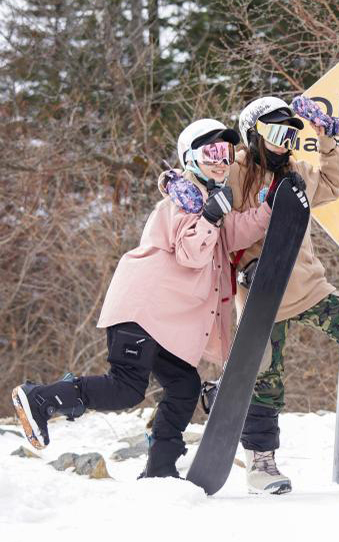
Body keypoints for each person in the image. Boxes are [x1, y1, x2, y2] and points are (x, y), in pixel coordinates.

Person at [11, 119, 276, 478]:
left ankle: (160, 469)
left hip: (162, 323)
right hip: (141, 310)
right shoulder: (180, 203)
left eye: (226, 152)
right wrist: (212, 214)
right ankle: (42, 398)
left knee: (185, 386)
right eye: (210, 151)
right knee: (126, 387)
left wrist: (271, 208)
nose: (220, 159)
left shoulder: (212, 206)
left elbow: (236, 231)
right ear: (190, 158)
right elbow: (191, 253)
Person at [227, 96, 339, 495]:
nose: (284, 143)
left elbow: (332, 185)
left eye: (291, 135)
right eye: (275, 134)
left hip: (308, 286)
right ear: (253, 135)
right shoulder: (237, 174)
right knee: (266, 379)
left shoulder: (297, 171)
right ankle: (261, 461)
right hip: (263, 296)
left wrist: (326, 140)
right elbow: (222, 227)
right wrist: (241, 268)